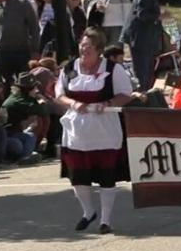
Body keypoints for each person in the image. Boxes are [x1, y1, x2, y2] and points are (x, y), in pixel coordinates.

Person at [55, 28, 133, 233]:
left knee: (107, 175)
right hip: (77, 132)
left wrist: (107, 103)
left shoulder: (112, 69)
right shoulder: (70, 68)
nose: (83, 50)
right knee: (78, 175)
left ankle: (106, 220)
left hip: (104, 131)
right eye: (82, 46)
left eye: (88, 47)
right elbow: (59, 94)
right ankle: (88, 212)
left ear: (98, 49)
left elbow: (126, 94)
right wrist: (72, 103)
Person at [121, 0, 164, 92]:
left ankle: (146, 94)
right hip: (140, 39)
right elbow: (142, 14)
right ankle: (142, 98)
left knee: (148, 71)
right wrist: (159, 15)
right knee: (142, 72)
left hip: (145, 39)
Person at [1, 72, 44, 164]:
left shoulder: (25, 98)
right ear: (28, 89)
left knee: (30, 137)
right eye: (34, 88)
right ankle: (22, 157)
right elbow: (41, 109)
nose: (36, 90)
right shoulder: (18, 100)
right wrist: (41, 100)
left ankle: (24, 158)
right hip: (6, 136)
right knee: (17, 145)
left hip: (16, 133)